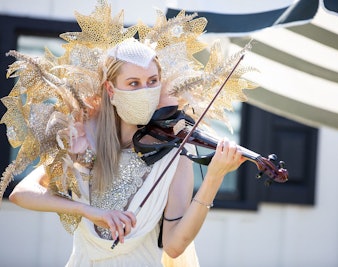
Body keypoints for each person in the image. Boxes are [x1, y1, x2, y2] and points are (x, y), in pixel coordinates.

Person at [8, 38, 245, 266]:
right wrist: (89, 212)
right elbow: (22, 193)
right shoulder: (84, 138)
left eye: (153, 81)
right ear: (111, 89)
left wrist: (214, 177)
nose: (145, 90)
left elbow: (174, 246)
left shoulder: (176, 151)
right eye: (134, 83)